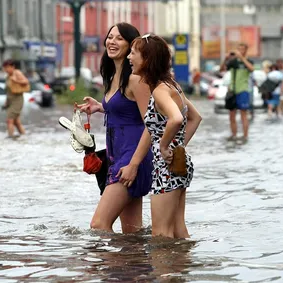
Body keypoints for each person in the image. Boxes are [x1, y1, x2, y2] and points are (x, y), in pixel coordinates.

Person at [77, 23, 153, 234]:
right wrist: (101, 107)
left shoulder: (136, 79)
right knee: (132, 233)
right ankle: (133, 267)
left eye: (119, 38)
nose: (112, 41)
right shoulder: (112, 77)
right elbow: (127, 111)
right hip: (116, 156)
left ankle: (106, 267)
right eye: (110, 37)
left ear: (132, 45)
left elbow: (152, 123)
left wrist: (134, 164)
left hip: (132, 158)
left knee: (99, 225)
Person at [128, 34, 202, 238]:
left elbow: (176, 118)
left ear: (147, 60)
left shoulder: (160, 91)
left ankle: (163, 271)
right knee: (178, 231)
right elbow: (196, 118)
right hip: (178, 162)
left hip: (167, 167)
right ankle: (182, 269)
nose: (129, 57)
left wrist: (163, 147)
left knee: (160, 235)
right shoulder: (172, 86)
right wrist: (178, 148)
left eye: (133, 53)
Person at [220, 43, 254, 142]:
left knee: (244, 114)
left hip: (243, 90)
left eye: (242, 49)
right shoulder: (233, 62)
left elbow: (252, 69)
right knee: (231, 115)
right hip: (232, 90)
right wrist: (226, 59)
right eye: (238, 49)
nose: (240, 51)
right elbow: (221, 69)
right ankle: (234, 135)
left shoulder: (248, 61)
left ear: (246, 50)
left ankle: (245, 136)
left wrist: (242, 58)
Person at [1, 59, 29, 139]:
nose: (6, 69)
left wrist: (16, 80)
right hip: (10, 100)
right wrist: (6, 103)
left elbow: (26, 81)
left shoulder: (17, 73)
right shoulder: (7, 76)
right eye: (5, 67)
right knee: (16, 122)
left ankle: (10, 137)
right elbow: (8, 91)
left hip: (17, 99)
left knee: (9, 120)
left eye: (8, 67)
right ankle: (24, 136)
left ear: (13, 67)